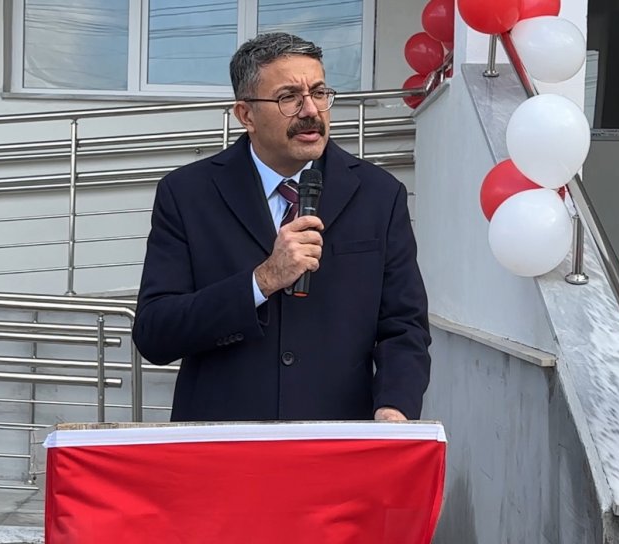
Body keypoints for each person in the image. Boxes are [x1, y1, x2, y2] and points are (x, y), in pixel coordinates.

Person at [133, 32, 432, 422]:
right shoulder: (187, 193)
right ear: (246, 115)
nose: (311, 110)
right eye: (289, 97)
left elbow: (404, 326)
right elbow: (156, 333)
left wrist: (394, 405)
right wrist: (261, 281)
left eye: (319, 93)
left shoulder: (380, 194)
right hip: (223, 438)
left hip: (335, 437)